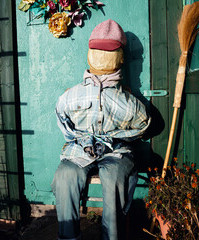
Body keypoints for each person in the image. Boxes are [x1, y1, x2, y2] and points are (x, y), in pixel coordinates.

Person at [51, 19, 151, 240]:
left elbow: (144, 124)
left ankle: (112, 237)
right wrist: (78, 139)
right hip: (80, 151)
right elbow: (61, 116)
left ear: (120, 58)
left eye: (107, 52)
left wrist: (117, 137)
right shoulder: (73, 95)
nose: (102, 57)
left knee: (115, 179)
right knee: (65, 175)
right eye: (97, 51)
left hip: (116, 153)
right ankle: (67, 237)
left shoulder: (127, 101)